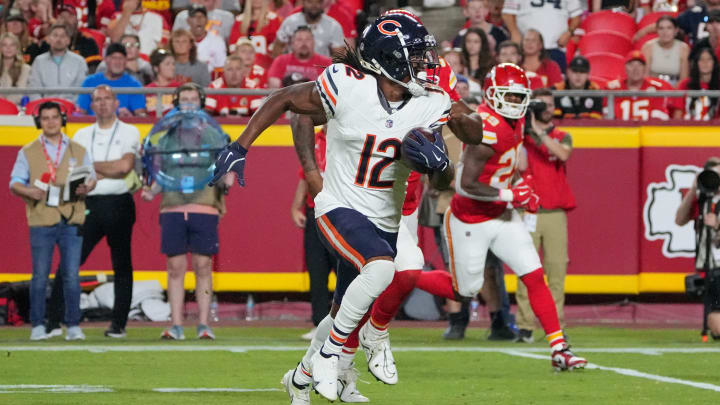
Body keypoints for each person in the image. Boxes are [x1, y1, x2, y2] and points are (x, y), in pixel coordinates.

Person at [209, 14, 484, 403]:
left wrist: (441, 163)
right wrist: (241, 146)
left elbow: (472, 136)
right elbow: (286, 98)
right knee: (384, 269)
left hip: (384, 219)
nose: (427, 65)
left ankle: (300, 379)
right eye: (417, 56)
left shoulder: (431, 103)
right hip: (339, 205)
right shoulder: (347, 86)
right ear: (389, 58)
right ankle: (330, 353)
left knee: (343, 310)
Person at [445, 63, 585, 369]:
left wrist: (521, 187)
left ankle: (560, 348)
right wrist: (512, 195)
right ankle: (408, 278)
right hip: (470, 218)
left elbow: (507, 170)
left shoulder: (518, 121)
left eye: (518, 96)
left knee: (534, 275)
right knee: (464, 289)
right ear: (493, 95)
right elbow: (465, 185)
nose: (514, 102)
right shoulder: (484, 125)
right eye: (507, 96)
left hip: (502, 215)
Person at [46, 86, 141, 339]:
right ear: (91, 104)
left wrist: (92, 167)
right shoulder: (81, 134)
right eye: (97, 100)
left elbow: (124, 167)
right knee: (69, 261)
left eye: (106, 99)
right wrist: (98, 169)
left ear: (116, 102)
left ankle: (118, 324)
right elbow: (74, 173)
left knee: (122, 264)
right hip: (89, 203)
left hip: (119, 201)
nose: (102, 104)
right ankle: (53, 320)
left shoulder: (129, 130)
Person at [141, 83, 234, 341]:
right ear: (177, 104)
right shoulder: (168, 136)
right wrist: (152, 191)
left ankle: (204, 324)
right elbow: (163, 173)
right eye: (185, 99)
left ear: (201, 102)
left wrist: (228, 176)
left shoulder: (214, 135)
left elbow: (227, 164)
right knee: (174, 267)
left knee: (203, 266)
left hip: (204, 205)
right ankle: (176, 324)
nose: (189, 104)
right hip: (172, 205)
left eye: (194, 99)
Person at [9, 101, 95, 341]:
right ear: (39, 122)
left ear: (62, 119)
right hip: (41, 217)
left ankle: (73, 325)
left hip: (71, 216)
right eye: (45, 118)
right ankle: (38, 324)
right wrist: (27, 191)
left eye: (54, 117)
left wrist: (87, 187)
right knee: (40, 275)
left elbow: (92, 177)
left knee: (71, 275)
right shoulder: (27, 151)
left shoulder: (78, 149)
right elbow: (14, 182)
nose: (50, 122)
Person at [515, 88, 576, 343]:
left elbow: (562, 154)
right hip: (527, 209)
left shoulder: (563, 134)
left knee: (557, 269)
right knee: (526, 271)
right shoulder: (521, 136)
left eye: (549, 104)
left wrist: (536, 132)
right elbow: (518, 164)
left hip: (554, 212)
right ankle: (525, 326)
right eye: (541, 105)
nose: (546, 108)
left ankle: (557, 326)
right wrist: (521, 129)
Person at [290, 122, 334, 341]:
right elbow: (304, 175)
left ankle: (350, 326)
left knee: (346, 271)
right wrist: (295, 206)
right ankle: (320, 324)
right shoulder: (313, 139)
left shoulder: (349, 136)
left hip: (342, 212)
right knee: (317, 270)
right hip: (314, 210)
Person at [676, 157, 720, 339]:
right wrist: (694, 189)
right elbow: (679, 220)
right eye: (713, 175)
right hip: (711, 267)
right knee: (717, 330)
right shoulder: (701, 200)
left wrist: (717, 226)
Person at [502, 0, 582, 72]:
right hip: (526, 49)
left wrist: (569, 32)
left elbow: (576, 17)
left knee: (557, 84)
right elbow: (507, 13)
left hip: (556, 47)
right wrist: (514, 32)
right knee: (523, 81)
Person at [76, 42, 147, 117]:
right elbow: (80, 113)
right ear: (106, 60)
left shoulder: (134, 85)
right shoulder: (89, 82)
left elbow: (141, 116)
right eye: (114, 58)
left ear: (126, 61)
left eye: (121, 58)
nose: (117, 62)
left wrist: (130, 117)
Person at [24, 4, 101, 69]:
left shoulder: (87, 40)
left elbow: (92, 68)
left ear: (76, 20)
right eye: (62, 16)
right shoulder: (47, 42)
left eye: (69, 16)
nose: (65, 20)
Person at [605, 50, 675, 120]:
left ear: (645, 68)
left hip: (647, 129)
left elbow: (659, 119)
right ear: (625, 68)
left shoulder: (656, 89)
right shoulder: (612, 88)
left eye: (640, 65)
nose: (635, 69)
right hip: (618, 129)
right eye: (631, 65)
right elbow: (605, 118)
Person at [27, 23, 88, 102]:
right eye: (55, 35)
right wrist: (42, 107)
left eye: (63, 36)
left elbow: (82, 90)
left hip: (72, 109)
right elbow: (33, 90)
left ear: (68, 40)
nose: (59, 39)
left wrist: (72, 107)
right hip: (45, 109)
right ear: (48, 39)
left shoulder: (79, 61)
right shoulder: (39, 61)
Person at [272, 0, 344, 57]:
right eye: (310, 2)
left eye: (317, 2)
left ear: (322, 3)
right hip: (292, 70)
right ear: (303, 2)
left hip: (321, 70)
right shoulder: (290, 22)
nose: (314, 6)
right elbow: (278, 46)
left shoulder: (333, 26)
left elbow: (339, 56)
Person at [267, 26, 331, 89]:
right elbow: (273, 88)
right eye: (299, 39)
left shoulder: (327, 63)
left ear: (314, 43)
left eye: (308, 39)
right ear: (292, 44)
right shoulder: (281, 60)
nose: (304, 43)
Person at [641, 16, 690, 86]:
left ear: (676, 30)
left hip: (675, 89)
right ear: (657, 30)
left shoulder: (684, 48)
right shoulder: (648, 47)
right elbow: (645, 76)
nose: (665, 32)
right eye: (661, 28)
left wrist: (673, 93)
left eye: (669, 28)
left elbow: (684, 79)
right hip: (652, 87)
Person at [676, 47, 720, 120]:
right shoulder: (685, 84)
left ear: (714, 62)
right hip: (687, 127)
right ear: (696, 63)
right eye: (701, 59)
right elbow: (677, 114)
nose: (705, 63)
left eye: (709, 59)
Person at [185, 4, 226, 73]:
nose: (199, 20)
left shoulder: (217, 41)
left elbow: (221, 68)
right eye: (194, 16)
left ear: (207, 20)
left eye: (202, 16)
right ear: (188, 21)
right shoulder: (180, 40)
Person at [146, 48, 183, 117]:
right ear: (156, 68)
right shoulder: (147, 90)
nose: (172, 67)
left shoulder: (181, 88)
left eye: (173, 64)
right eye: (167, 64)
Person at [0, 32, 30, 105]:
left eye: (12, 45)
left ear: (17, 48)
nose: (8, 48)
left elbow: (21, 92)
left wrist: (6, 104)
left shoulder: (25, 69)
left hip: (16, 110)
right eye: (4, 45)